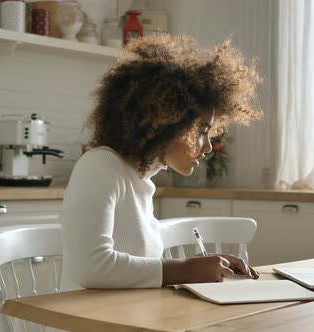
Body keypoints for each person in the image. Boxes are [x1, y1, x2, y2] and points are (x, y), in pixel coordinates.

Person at [60, 34, 263, 291]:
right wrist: (185, 270)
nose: (209, 145)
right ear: (163, 121)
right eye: (201, 131)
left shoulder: (140, 179)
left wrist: (196, 268)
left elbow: (135, 269)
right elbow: (90, 268)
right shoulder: (100, 166)